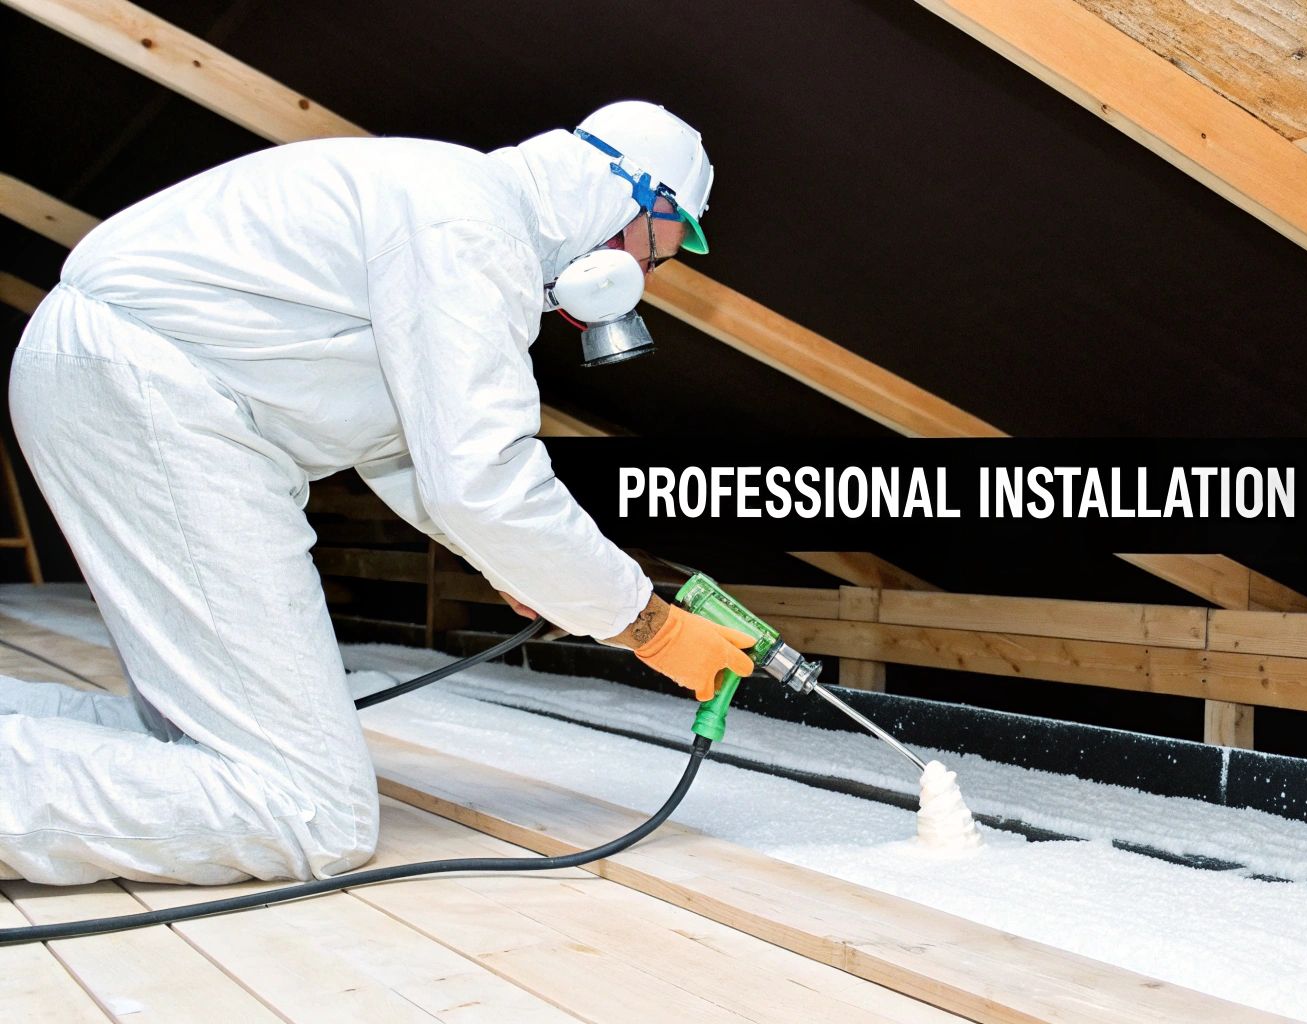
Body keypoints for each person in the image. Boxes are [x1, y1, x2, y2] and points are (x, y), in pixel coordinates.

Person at [0, 101, 755, 886]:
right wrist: (647, 623)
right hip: (153, 394)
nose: (641, 285)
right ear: (627, 198)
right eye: (652, 260)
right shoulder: (473, 226)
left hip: (124, 381)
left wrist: (513, 563)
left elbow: (407, 451)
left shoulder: (456, 209)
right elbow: (481, 477)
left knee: (193, 734)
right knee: (307, 809)